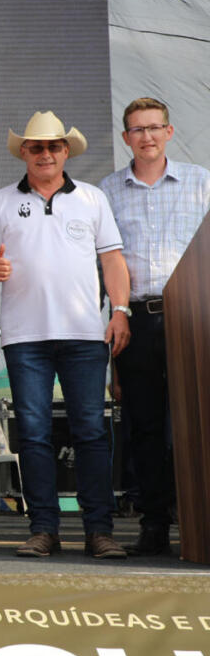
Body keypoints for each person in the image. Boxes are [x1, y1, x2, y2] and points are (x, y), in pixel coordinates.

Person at [0, 110, 130, 560]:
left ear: (66, 151)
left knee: (91, 433)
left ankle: (99, 530)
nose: (45, 153)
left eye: (53, 146)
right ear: (23, 152)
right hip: (25, 338)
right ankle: (43, 528)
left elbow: (113, 260)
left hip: (85, 335)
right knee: (34, 434)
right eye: (37, 147)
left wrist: (120, 310)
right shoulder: (0, 202)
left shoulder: (92, 198)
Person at [99, 98, 210, 556]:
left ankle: (200, 521)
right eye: (137, 129)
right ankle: (155, 524)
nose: (146, 136)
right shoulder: (106, 191)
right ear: (126, 137)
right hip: (136, 319)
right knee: (144, 426)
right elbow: (104, 265)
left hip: (194, 319)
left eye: (153, 127)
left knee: (199, 422)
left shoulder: (202, 182)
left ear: (169, 131)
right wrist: (115, 316)